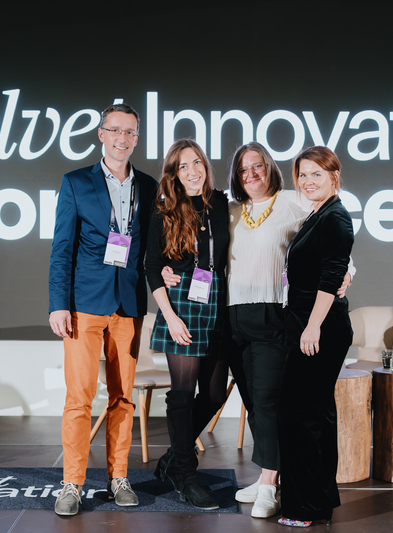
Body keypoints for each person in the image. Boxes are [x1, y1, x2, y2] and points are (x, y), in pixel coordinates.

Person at [161, 142, 353, 519]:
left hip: (272, 314)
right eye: (243, 169)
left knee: (268, 402)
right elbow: (198, 251)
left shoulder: (293, 202)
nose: (251, 174)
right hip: (230, 316)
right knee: (253, 401)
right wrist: (169, 270)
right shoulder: (229, 209)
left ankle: (268, 484)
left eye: (258, 167)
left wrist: (347, 274)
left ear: (270, 168)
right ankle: (269, 476)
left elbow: (332, 244)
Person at [48, 103, 157, 516]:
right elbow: (62, 249)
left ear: (136, 138)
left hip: (128, 305)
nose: (121, 138)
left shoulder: (148, 186)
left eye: (129, 132)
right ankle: (72, 483)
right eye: (115, 130)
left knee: (123, 398)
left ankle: (118, 478)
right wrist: (58, 304)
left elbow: (152, 246)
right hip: (83, 306)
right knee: (79, 398)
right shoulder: (76, 182)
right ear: (101, 134)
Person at [145, 139, 231, 510]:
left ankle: (173, 457)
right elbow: (152, 267)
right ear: (174, 174)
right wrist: (169, 315)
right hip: (180, 304)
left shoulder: (222, 203)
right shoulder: (163, 210)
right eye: (183, 166)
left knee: (214, 394)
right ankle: (185, 472)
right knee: (182, 393)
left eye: (197, 163)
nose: (193, 171)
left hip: (217, 300)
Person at [277, 146, 354, 527]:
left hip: (319, 328)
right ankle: (318, 501)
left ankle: (304, 507)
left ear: (334, 176)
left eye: (316, 174)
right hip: (308, 323)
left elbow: (331, 276)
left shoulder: (336, 218)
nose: (308, 181)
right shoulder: (318, 213)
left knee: (299, 416)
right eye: (303, 175)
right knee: (316, 415)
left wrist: (312, 326)